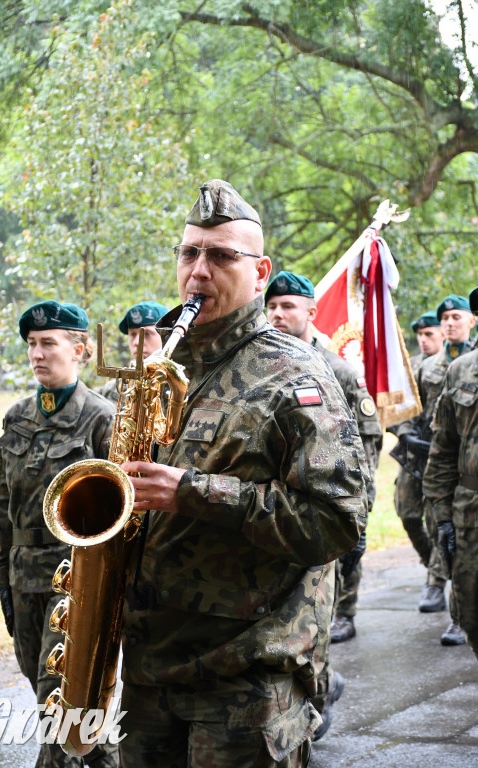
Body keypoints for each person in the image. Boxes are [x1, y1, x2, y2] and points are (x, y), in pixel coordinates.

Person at [118, 179, 369, 768]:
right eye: (189, 253)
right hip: (150, 668)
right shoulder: (163, 368)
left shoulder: (294, 375)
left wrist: (192, 493)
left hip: (245, 681)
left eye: (221, 256)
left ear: (260, 272)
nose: (199, 272)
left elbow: (334, 523)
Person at [0, 300, 118, 768]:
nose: (37, 354)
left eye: (48, 343)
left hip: (74, 583)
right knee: (66, 707)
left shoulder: (102, 418)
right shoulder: (17, 417)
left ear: (79, 350)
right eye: (31, 345)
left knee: (56, 699)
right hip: (22, 581)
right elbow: (2, 499)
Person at [265, 270, 382, 739]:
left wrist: (359, 517)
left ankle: (314, 704)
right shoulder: (266, 365)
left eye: (288, 307)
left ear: (312, 312)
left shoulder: (341, 372)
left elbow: (365, 450)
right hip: (276, 515)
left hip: (325, 514)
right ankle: (321, 686)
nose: (277, 314)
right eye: (271, 306)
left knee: (315, 619)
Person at [413, 295, 475, 644]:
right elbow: (441, 438)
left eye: (457, 316)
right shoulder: (458, 369)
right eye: (445, 318)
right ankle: (445, 596)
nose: (449, 323)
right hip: (464, 491)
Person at [392, 312, 444, 567]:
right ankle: (431, 561)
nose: (423, 340)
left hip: (441, 453)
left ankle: (437, 576)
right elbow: (395, 405)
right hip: (412, 451)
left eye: (428, 334)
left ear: (442, 334)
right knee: (407, 514)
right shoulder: (409, 367)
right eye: (420, 335)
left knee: (439, 519)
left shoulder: (455, 364)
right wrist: (404, 433)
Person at [100, 301, 169, 404]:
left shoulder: (177, 388)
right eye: (132, 335)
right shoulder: (112, 390)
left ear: (166, 336)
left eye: (147, 334)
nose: (136, 342)